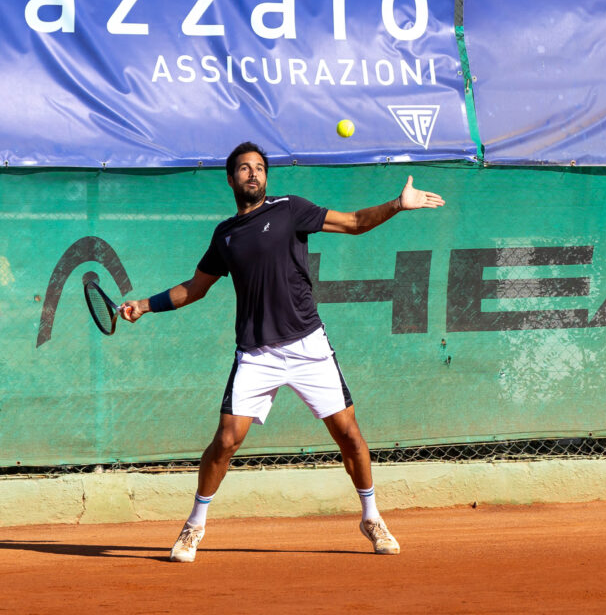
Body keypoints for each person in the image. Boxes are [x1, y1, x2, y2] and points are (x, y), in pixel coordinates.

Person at [121, 141, 445, 562]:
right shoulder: (225, 235)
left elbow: (353, 223)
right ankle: (194, 526)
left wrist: (397, 205)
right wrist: (145, 305)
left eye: (259, 167)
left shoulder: (290, 209)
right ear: (231, 179)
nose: (253, 173)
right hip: (257, 354)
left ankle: (371, 518)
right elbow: (195, 288)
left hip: (307, 344)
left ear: (266, 177)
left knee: (349, 434)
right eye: (244, 168)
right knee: (226, 440)